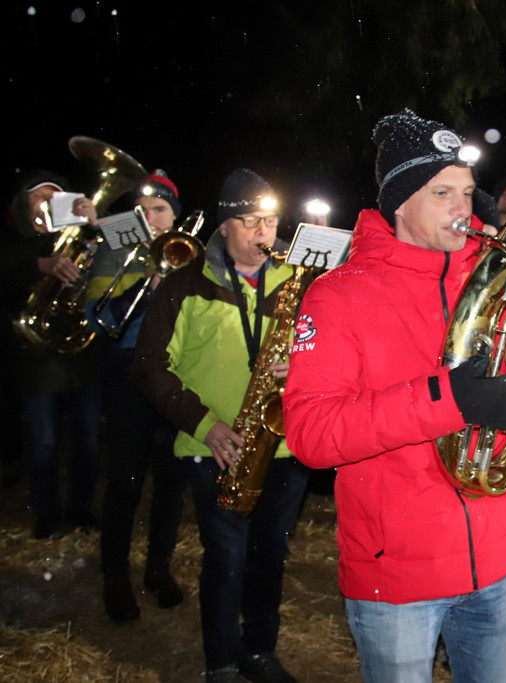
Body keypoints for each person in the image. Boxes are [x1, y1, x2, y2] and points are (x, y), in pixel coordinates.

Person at [282, 109, 506, 682]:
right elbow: (312, 435)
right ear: (399, 203)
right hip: (397, 575)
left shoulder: (501, 279)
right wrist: (447, 400)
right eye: (442, 193)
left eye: (469, 192)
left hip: (498, 562)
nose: (464, 208)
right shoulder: (338, 295)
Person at [135, 168, 310, 683]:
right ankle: (222, 663)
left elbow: (332, 348)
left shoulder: (299, 281)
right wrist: (205, 425)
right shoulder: (184, 284)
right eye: (251, 221)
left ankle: (260, 651)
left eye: (270, 221)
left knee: (270, 555)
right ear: (225, 225)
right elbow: (148, 365)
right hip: (213, 444)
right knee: (227, 559)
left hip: (284, 445)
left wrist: (307, 366)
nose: (264, 232)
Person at [85, 170, 188, 622]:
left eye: (160, 210)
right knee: (125, 480)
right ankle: (115, 577)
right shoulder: (115, 250)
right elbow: (98, 317)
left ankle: (158, 567)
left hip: (175, 373)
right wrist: (145, 286)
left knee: (170, 479)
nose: (151, 218)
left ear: (174, 217)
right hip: (128, 371)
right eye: (142, 210)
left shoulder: (188, 252)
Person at [1, 170, 102, 540]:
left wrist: (96, 224)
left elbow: (113, 269)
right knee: (43, 438)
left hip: (82, 354)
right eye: (39, 196)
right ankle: (47, 512)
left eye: (54, 197)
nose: (46, 203)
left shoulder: (81, 235)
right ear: (22, 202)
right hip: (36, 355)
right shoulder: (12, 238)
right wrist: (40, 265)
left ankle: (81, 507)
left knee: (87, 436)